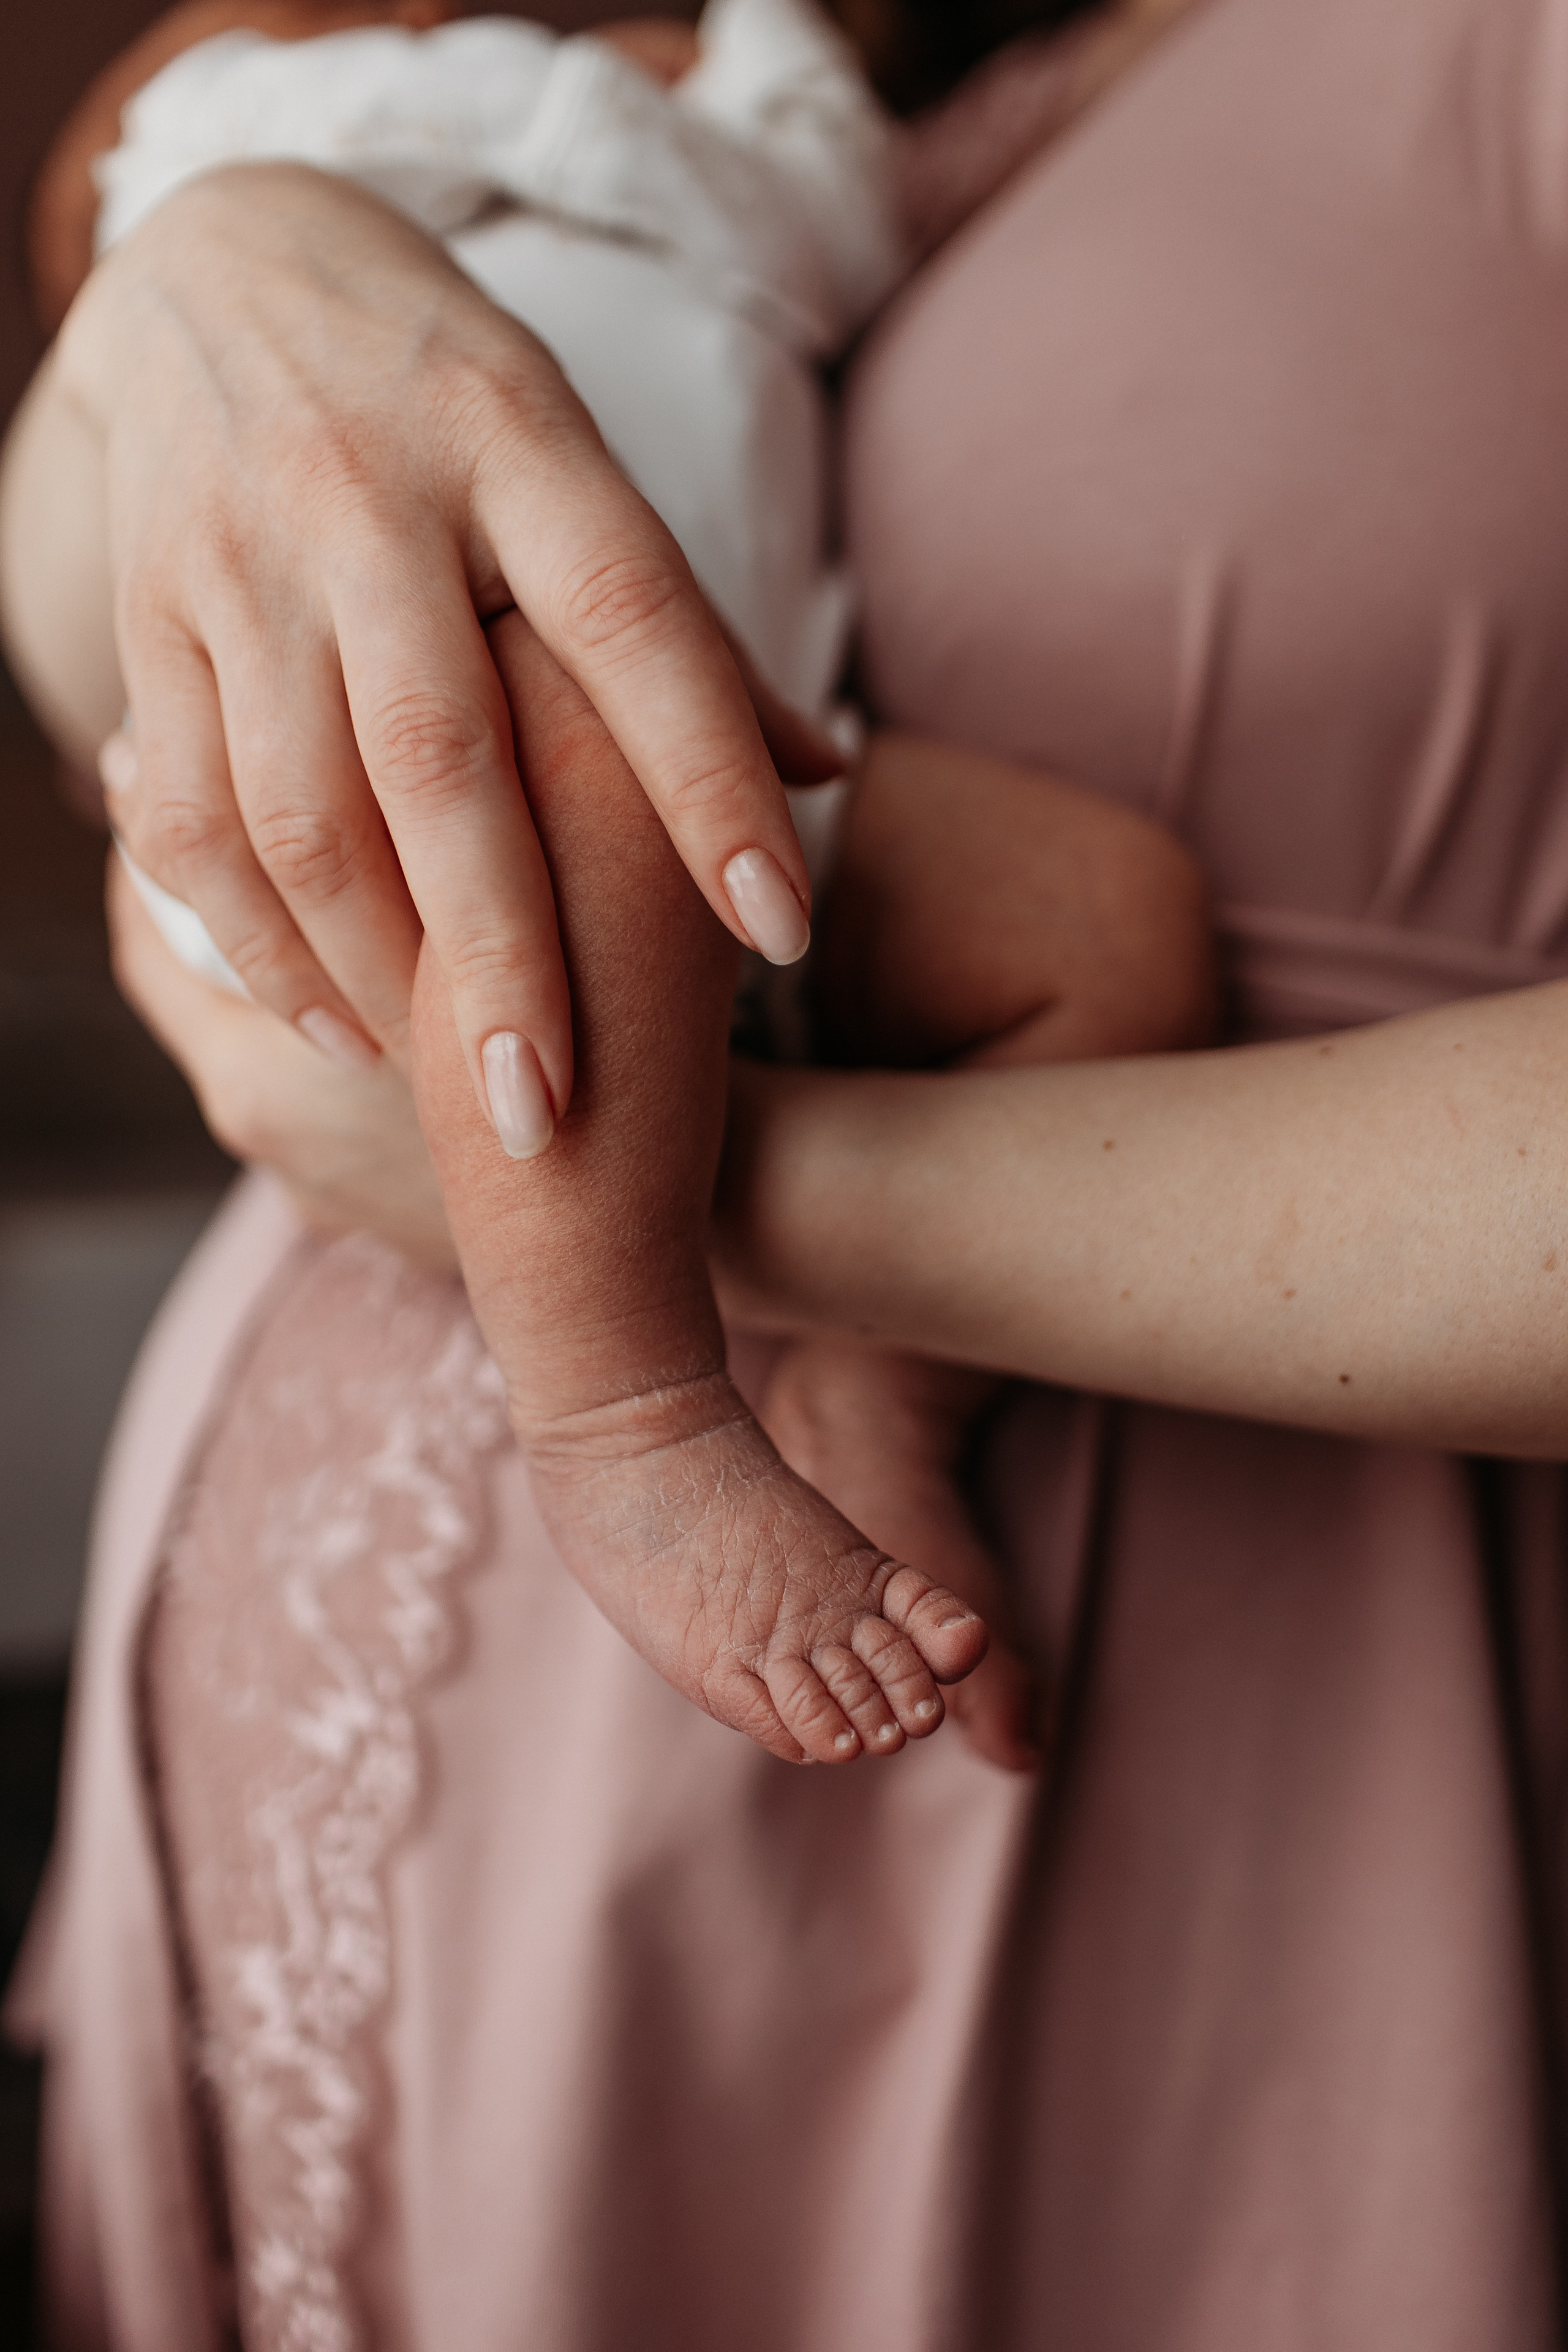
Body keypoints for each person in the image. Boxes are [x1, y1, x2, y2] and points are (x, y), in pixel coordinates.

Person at [10, 0, 1568, 2341]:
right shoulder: (369, 106)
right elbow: (98, 704)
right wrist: (207, 283)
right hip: (378, 1759)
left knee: (1052, 910)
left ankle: (673, 1405)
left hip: (1182, 1748)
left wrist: (744, 1214)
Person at [56, 0, 1213, 1774]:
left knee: (1111, 923)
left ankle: (884, 1382)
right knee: (580, 755)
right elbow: (109, 347)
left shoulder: (795, 106)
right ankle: (631, 1422)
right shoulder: (255, 90)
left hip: (744, 768)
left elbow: (1012, 172)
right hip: (400, 779)